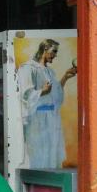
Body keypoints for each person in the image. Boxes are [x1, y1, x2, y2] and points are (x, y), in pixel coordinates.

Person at [16, 39, 76, 168]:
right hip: (37, 120)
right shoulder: (28, 68)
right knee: (39, 154)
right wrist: (41, 92)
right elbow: (25, 94)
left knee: (52, 155)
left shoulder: (50, 71)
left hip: (52, 119)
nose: (55, 55)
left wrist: (65, 77)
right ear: (45, 49)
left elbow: (55, 95)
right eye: (53, 51)